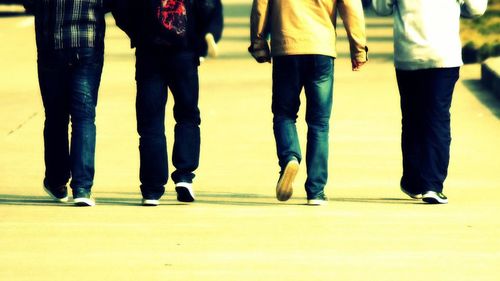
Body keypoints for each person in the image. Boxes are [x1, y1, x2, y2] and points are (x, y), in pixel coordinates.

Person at [249, 0, 368, 205]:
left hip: (286, 48)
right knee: (319, 124)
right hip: (321, 50)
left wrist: (259, 43)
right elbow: (351, 7)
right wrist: (358, 48)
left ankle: (290, 157)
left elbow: (261, 6)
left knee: (284, 114)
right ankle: (316, 191)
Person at [372, 0, 488, 204]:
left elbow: (381, 8)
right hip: (443, 55)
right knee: (437, 118)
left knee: (411, 117)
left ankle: (413, 181)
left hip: (408, 54)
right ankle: (432, 185)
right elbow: (476, 8)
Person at [112, 0, 223, 206]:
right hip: (184, 52)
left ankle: (152, 190)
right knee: (187, 115)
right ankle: (184, 176)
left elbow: (121, 7)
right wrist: (204, 35)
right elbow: (209, 6)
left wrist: (138, 32)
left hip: (149, 52)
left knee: (150, 122)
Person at [25, 0, 111, 207]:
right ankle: (82, 188)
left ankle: (56, 181)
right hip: (87, 44)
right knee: (84, 117)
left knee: (55, 116)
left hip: (51, 45)